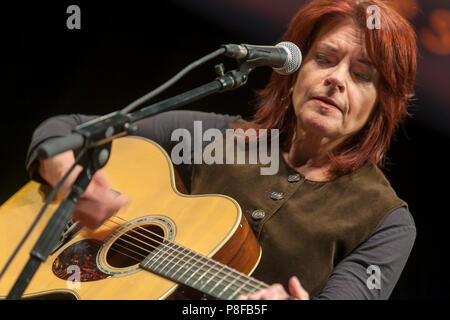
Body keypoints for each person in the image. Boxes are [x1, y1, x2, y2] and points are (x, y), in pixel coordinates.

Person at [26, 0, 417, 300]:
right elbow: (69, 129)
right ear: (295, 71)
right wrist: (72, 180)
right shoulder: (216, 137)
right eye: (324, 59)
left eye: (362, 75)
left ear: (383, 103)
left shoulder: (386, 223)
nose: (336, 79)